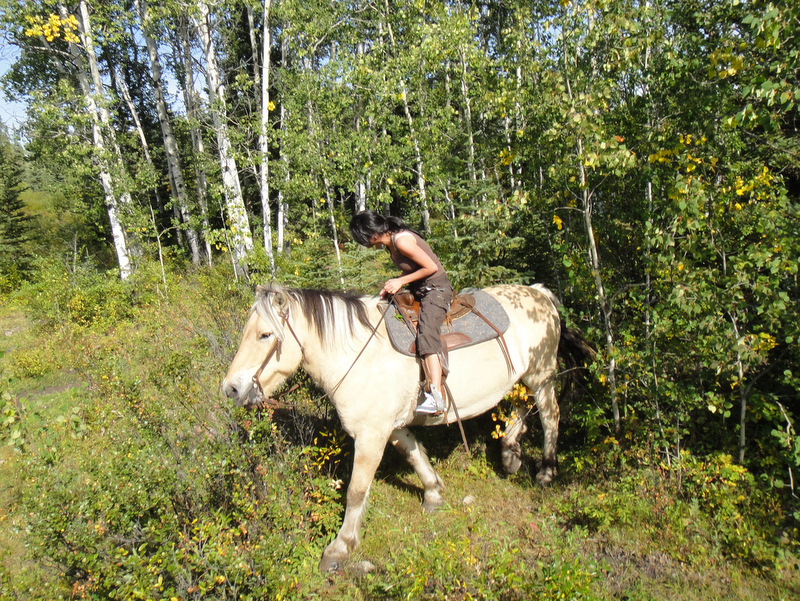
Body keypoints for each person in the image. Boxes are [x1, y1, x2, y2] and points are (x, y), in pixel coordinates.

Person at [350, 210, 452, 415]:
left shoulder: (402, 241)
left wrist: (401, 281)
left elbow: (431, 267)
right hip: (420, 289)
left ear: (370, 234)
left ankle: (436, 396)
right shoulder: (391, 243)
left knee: (426, 331)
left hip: (437, 290)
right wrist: (392, 284)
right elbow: (413, 268)